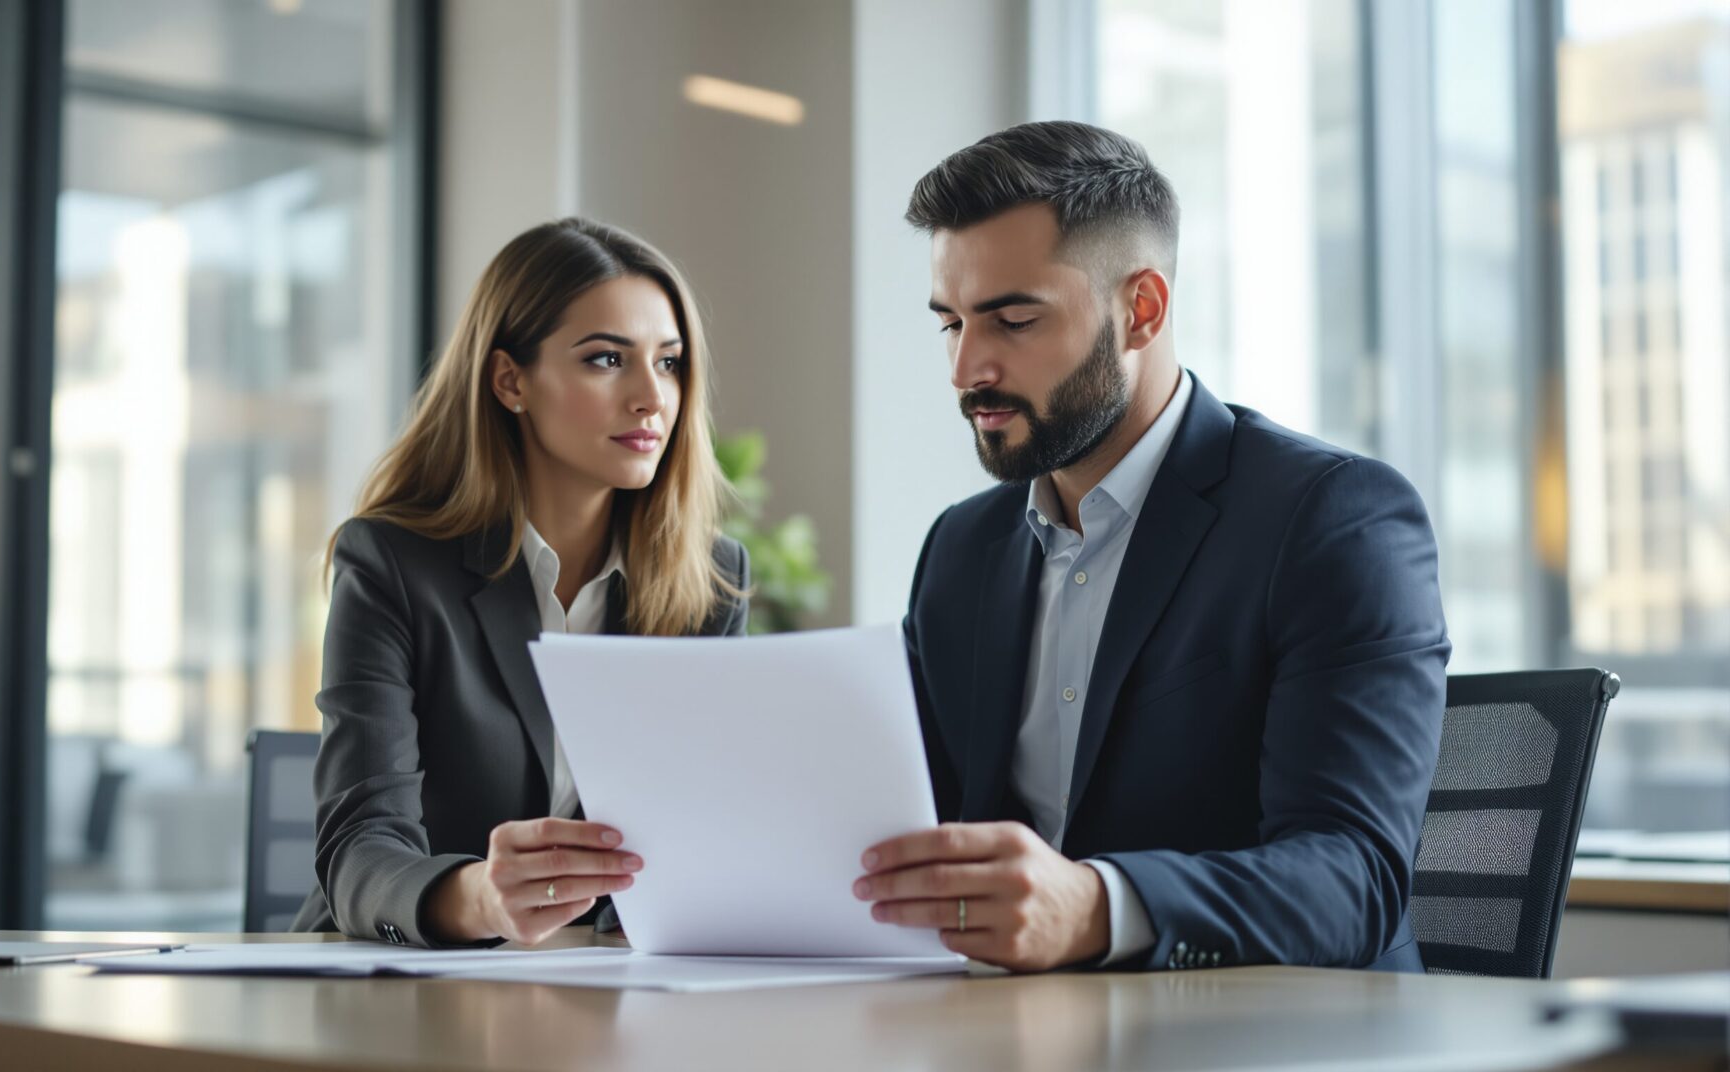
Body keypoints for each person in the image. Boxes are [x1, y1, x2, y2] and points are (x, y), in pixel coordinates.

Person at [856, 121, 1448, 973]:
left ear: (1141, 311)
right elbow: (908, 820)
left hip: (1272, 1041)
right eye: (950, 323)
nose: (966, 368)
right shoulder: (964, 547)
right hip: (1010, 1027)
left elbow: (1353, 880)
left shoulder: (1333, 520)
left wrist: (1097, 906)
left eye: (1012, 319)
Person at [292, 218, 750, 948]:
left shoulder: (709, 582)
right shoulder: (391, 563)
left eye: (669, 362)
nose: (651, 398)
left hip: (601, 988)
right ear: (510, 381)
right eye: (606, 359)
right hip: (400, 983)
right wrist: (479, 898)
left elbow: (699, 836)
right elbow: (359, 848)